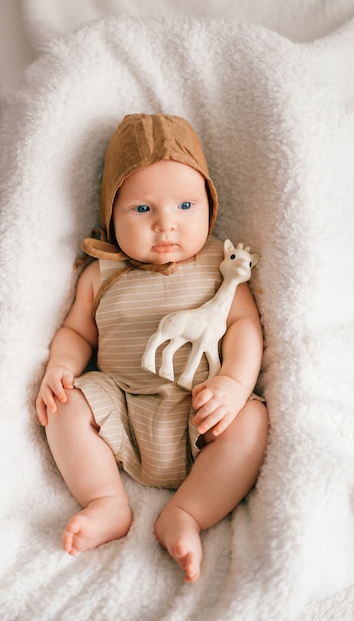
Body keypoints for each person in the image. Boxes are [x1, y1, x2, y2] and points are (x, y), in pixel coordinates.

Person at [36, 113, 269, 582]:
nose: (167, 225)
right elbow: (78, 333)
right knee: (63, 406)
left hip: (201, 415)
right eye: (143, 210)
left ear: (209, 206)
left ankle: (186, 513)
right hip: (120, 405)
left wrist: (234, 383)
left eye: (185, 206)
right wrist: (61, 366)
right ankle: (106, 501)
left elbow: (245, 324)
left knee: (254, 421)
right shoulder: (100, 274)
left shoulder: (218, 264)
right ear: (111, 214)